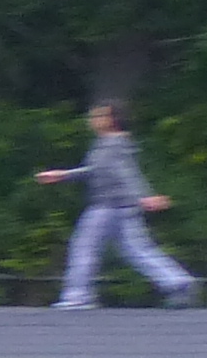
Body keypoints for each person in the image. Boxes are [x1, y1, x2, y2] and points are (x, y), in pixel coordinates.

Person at [37, 101, 198, 309]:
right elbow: (97, 170)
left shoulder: (113, 143)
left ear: (112, 120)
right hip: (122, 207)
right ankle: (178, 283)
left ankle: (78, 295)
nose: (93, 121)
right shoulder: (111, 142)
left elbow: (126, 173)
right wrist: (63, 175)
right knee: (138, 250)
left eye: (98, 116)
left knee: (84, 247)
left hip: (107, 206)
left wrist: (144, 196)